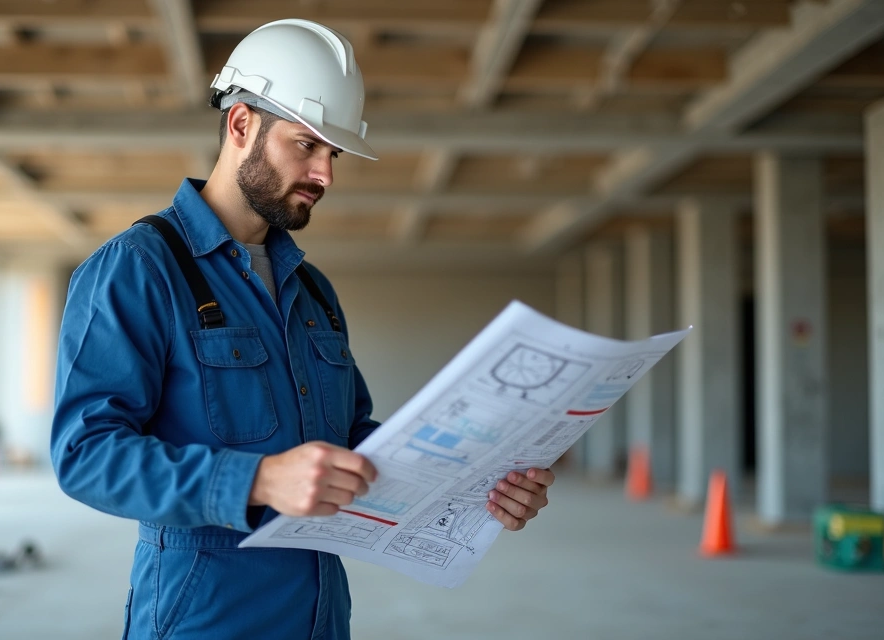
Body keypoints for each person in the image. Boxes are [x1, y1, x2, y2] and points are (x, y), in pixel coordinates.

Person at [50, 19, 556, 640]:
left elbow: (355, 444)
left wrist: (477, 484)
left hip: (320, 617)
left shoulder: (312, 290)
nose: (326, 175)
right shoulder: (138, 268)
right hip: (205, 620)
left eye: (333, 153)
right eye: (306, 145)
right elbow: (85, 455)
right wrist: (260, 480)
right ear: (241, 125)